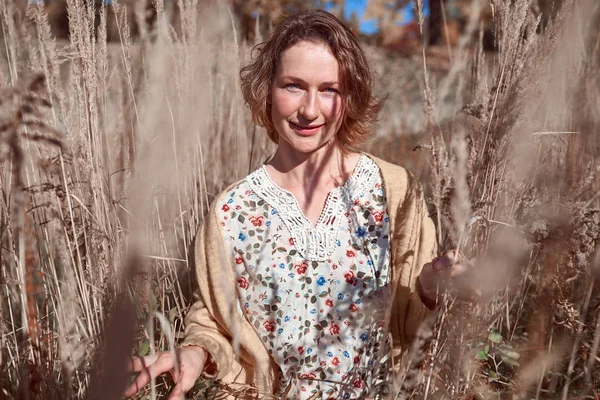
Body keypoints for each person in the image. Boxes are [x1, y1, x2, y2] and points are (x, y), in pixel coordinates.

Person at [124, 9, 467, 400]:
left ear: (350, 97)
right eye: (293, 86)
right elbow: (212, 319)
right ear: (267, 90)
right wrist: (195, 351)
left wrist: (429, 290)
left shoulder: (394, 191)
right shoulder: (231, 212)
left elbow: (418, 330)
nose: (309, 109)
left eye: (329, 89)